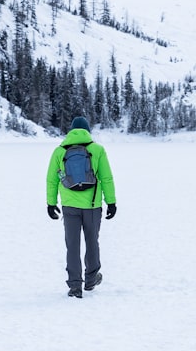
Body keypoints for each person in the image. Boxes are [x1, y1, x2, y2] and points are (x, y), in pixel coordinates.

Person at [46, 116, 117, 298]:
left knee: (72, 245)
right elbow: (106, 178)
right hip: (92, 206)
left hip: (69, 206)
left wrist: (51, 203)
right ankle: (91, 279)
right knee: (92, 241)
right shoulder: (97, 150)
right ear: (87, 131)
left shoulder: (59, 151)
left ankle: (75, 286)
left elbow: (52, 180)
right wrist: (111, 202)